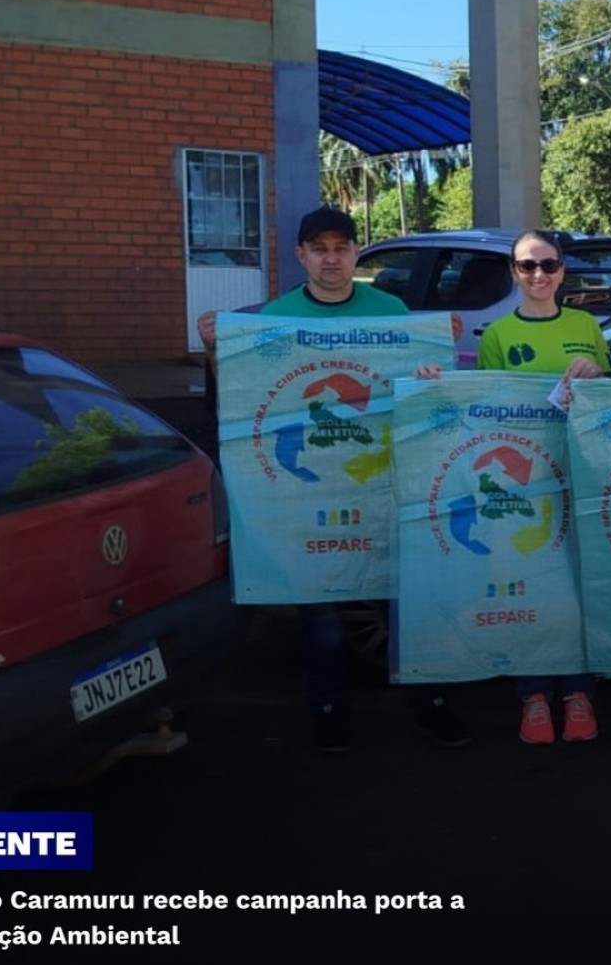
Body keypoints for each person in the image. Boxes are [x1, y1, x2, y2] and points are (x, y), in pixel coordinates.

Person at [197, 205, 468, 756]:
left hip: (383, 487)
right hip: (307, 493)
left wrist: (435, 362)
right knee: (319, 608)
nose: (331, 259)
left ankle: (431, 703)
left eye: (341, 248)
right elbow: (242, 399)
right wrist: (213, 348)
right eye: (319, 249)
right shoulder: (275, 319)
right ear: (301, 255)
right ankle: (328, 711)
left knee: (410, 602)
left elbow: (428, 394)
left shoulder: (392, 312)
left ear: (355, 254)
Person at [478, 229, 611, 745]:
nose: (539, 275)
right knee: (529, 582)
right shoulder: (496, 334)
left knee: (579, 583)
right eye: (527, 266)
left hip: (580, 474)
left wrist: (597, 376)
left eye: (548, 265)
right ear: (513, 272)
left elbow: (609, 397)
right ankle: (533, 694)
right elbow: (484, 411)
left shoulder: (586, 326)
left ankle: (579, 691)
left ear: (562, 270)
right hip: (523, 485)